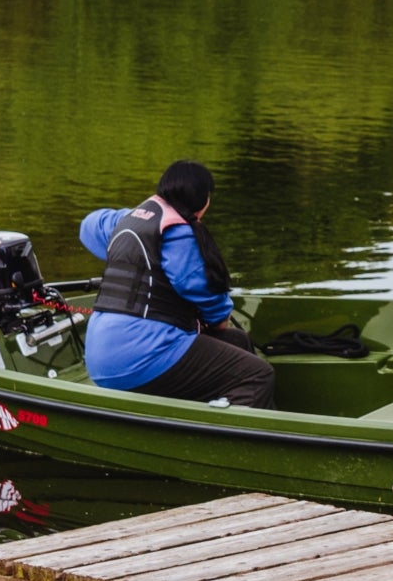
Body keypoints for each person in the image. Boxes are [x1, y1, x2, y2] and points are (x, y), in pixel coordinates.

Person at [76, 160, 277, 408]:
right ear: (204, 200)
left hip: (99, 356)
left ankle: (219, 409)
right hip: (141, 358)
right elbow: (195, 287)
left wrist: (133, 225)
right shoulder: (178, 233)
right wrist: (219, 317)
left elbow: (88, 226)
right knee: (258, 375)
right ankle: (228, 440)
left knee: (239, 341)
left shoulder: (129, 220)